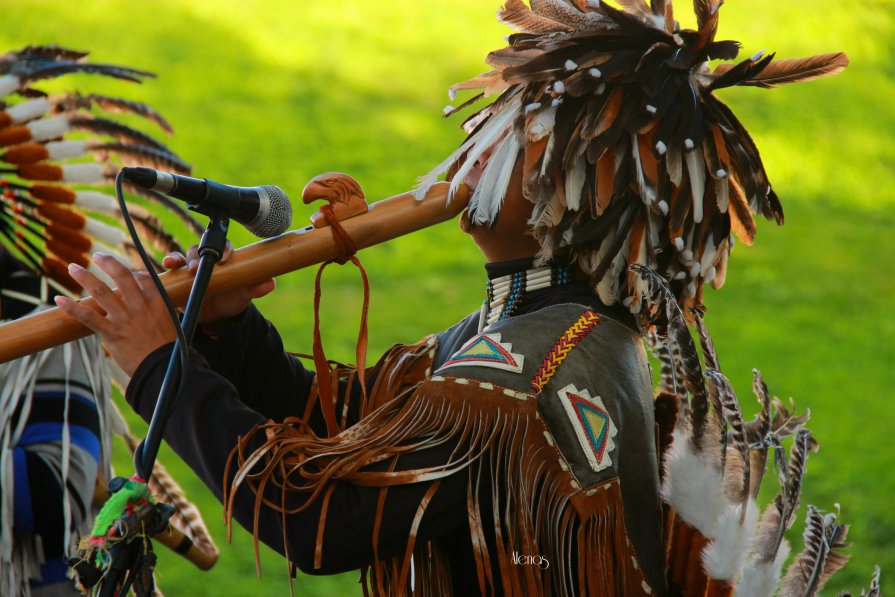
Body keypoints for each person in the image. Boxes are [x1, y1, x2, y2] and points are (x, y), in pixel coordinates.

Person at [53, 1, 849, 595]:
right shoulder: (536, 326)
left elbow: (316, 518)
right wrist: (228, 331)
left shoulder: (538, 366)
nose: (474, 147)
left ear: (583, 183)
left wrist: (157, 362)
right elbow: (348, 429)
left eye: (512, 127)